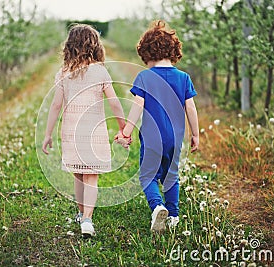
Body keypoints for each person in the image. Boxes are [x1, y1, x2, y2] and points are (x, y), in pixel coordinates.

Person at [115, 20, 199, 232]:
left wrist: (126, 131)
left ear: (147, 53)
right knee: (171, 176)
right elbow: (191, 108)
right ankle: (174, 216)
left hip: (152, 138)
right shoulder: (183, 78)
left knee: (148, 176)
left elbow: (138, 105)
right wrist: (196, 135)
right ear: (173, 51)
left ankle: (157, 207)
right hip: (175, 139)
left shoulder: (145, 76)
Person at [42, 24, 126, 237]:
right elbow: (115, 103)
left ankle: (81, 214)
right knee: (91, 176)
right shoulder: (100, 71)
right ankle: (87, 219)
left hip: (71, 132)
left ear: (70, 46)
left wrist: (47, 134)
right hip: (94, 131)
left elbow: (55, 105)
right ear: (95, 46)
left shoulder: (64, 73)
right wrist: (123, 127)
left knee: (78, 175)